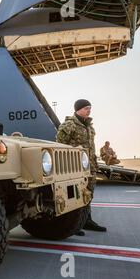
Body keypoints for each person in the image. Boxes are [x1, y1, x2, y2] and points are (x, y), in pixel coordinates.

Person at [56, 99, 107, 236]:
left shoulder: (89, 126)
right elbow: (60, 146)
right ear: (78, 109)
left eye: (90, 108)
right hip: (75, 168)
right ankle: (74, 223)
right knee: (74, 196)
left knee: (88, 194)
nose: (89, 110)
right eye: (86, 108)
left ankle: (86, 220)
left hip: (90, 166)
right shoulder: (69, 125)